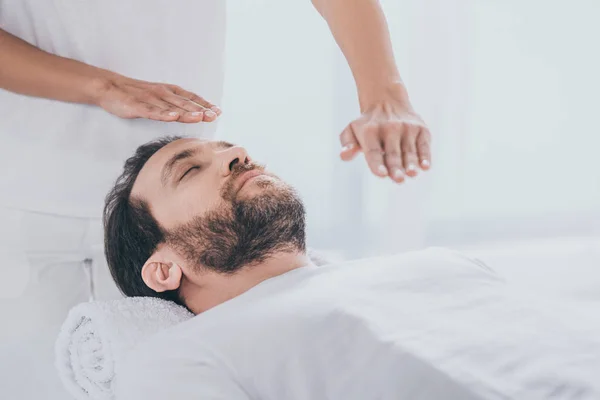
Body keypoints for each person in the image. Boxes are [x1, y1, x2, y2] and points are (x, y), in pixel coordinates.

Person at [0, 1, 430, 398]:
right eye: (192, 167)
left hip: (195, 229)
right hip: (36, 205)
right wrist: (101, 85)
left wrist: (384, 94)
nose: (240, 154)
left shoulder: (412, 287)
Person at [107, 137, 600, 400]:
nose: (238, 153)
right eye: (191, 170)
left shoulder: (437, 262)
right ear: (164, 270)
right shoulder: (173, 359)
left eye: (230, 147)